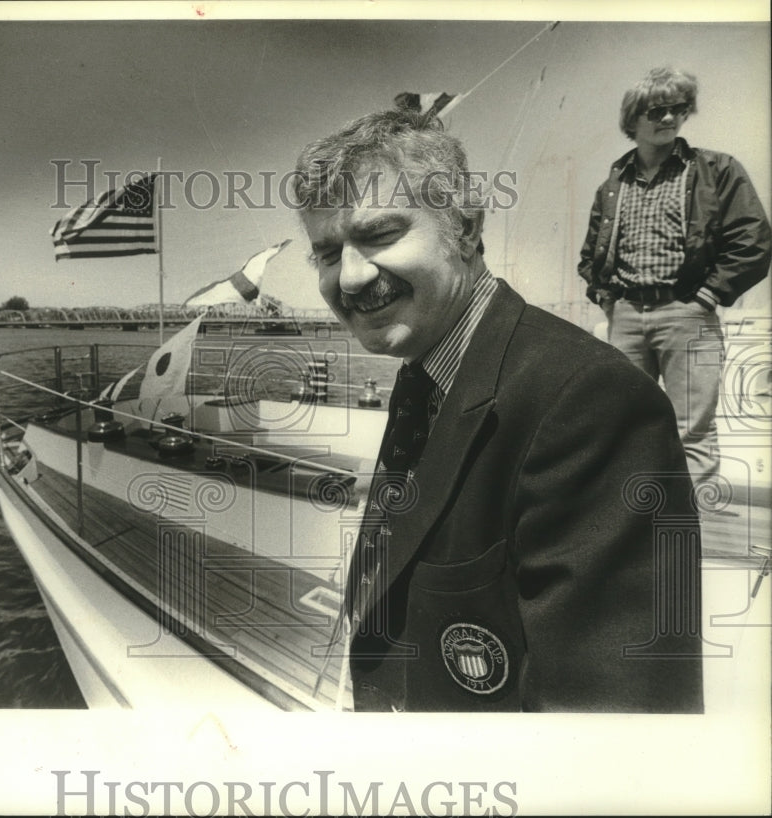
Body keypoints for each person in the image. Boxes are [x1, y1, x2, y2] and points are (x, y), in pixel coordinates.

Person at [293, 108, 704, 713]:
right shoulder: (427, 375)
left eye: (380, 235)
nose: (350, 278)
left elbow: (613, 727)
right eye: (326, 253)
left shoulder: (590, 402)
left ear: (464, 227)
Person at [578, 67, 771, 486]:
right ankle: (629, 530)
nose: (669, 118)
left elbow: (753, 240)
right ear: (633, 119)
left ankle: (686, 538)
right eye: (657, 110)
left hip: (689, 314)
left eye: (679, 109)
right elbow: (591, 255)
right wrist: (608, 299)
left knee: (692, 431)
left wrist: (707, 295)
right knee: (622, 425)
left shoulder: (715, 170)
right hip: (626, 316)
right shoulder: (613, 185)